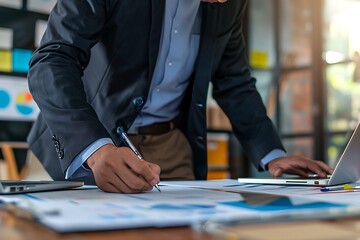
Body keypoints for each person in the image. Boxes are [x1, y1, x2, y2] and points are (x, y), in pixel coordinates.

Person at [27, 0, 333, 193]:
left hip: (170, 149)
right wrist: (94, 149)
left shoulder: (229, 5)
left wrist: (274, 154)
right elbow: (53, 59)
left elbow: (234, 80)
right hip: (86, 144)